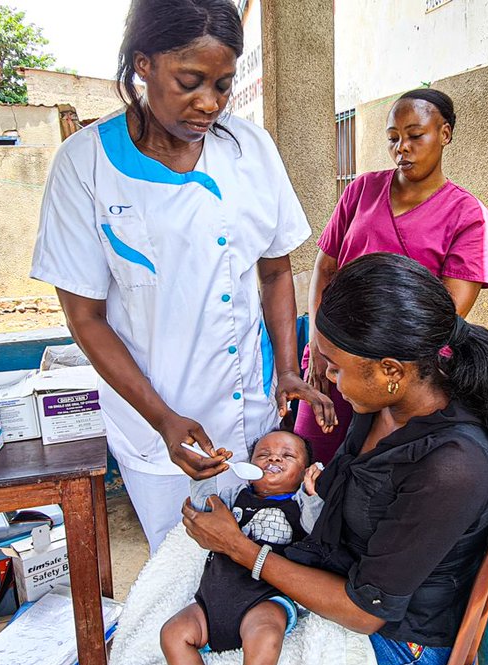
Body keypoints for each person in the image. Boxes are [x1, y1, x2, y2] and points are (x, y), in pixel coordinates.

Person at [30, 0, 334, 552]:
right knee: (178, 576)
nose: (209, 104)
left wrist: (289, 368)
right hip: (158, 430)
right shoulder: (85, 166)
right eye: (190, 81)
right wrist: (164, 418)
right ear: (142, 64)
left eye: (223, 85)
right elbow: (86, 317)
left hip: (254, 416)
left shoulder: (250, 149)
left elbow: (274, 272)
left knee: (259, 561)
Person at [181, 253, 488, 665]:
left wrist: (240, 548)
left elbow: (365, 612)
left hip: (398, 644)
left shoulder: (451, 467)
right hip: (338, 576)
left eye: (334, 366)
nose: (326, 376)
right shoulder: (382, 404)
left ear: (391, 371)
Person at [295, 89, 488, 464]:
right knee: (309, 458)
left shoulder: (466, 214)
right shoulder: (361, 191)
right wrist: (321, 348)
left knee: (376, 477)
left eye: (415, 136)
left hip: (403, 377)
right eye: (393, 138)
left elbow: (448, 313)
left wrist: (377, 372)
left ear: (445, 134)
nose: (402, 147)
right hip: (333, 356)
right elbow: (325, 268)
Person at [162, 430, 321, 665]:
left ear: (305, 472)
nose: (274, 459)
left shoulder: (301, 504)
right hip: (212, 599)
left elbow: (319, 530)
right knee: (172, 633)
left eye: (287, 456)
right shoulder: (235, 496)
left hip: (266, 598)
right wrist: (204, 473)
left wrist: (314, 494)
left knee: (266, 636)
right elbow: (204, 512)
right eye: (264, 455)